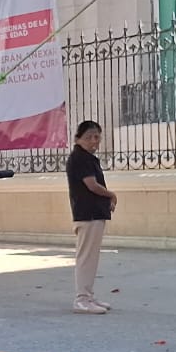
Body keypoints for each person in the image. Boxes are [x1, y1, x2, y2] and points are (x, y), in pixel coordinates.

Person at [66, 120, 116, 314]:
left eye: (97, 137)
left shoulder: (87, 158)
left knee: (91, 258)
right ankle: (82, 299)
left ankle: (88, 295)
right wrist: (111, 194)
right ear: (78, 138)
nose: (94, 141)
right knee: (86, 258)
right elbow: (92, 185)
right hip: (87, 215)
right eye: (89, 137)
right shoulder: (80, 158)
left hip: (94, 214)